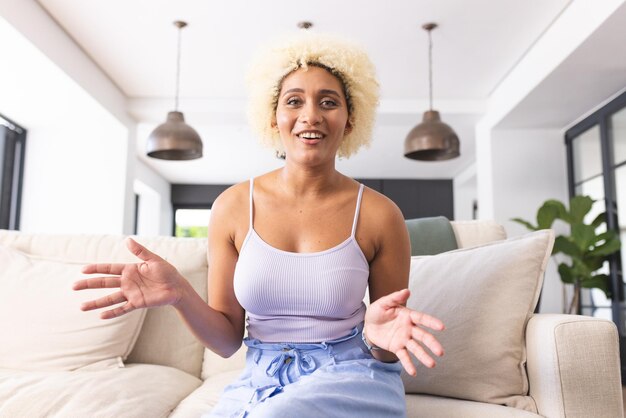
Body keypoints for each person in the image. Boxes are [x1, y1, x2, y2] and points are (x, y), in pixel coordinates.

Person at [73, 33, 445, 418]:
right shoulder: (233, 207)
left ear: (350, 121)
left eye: (329, 102)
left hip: (350, 377)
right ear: (273, 117)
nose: (311, 115)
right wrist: (180, 293)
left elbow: (387, 342)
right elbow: (227, 340)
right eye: (294, 101)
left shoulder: (380, 214)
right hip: (259, 382)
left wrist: (378, 339)